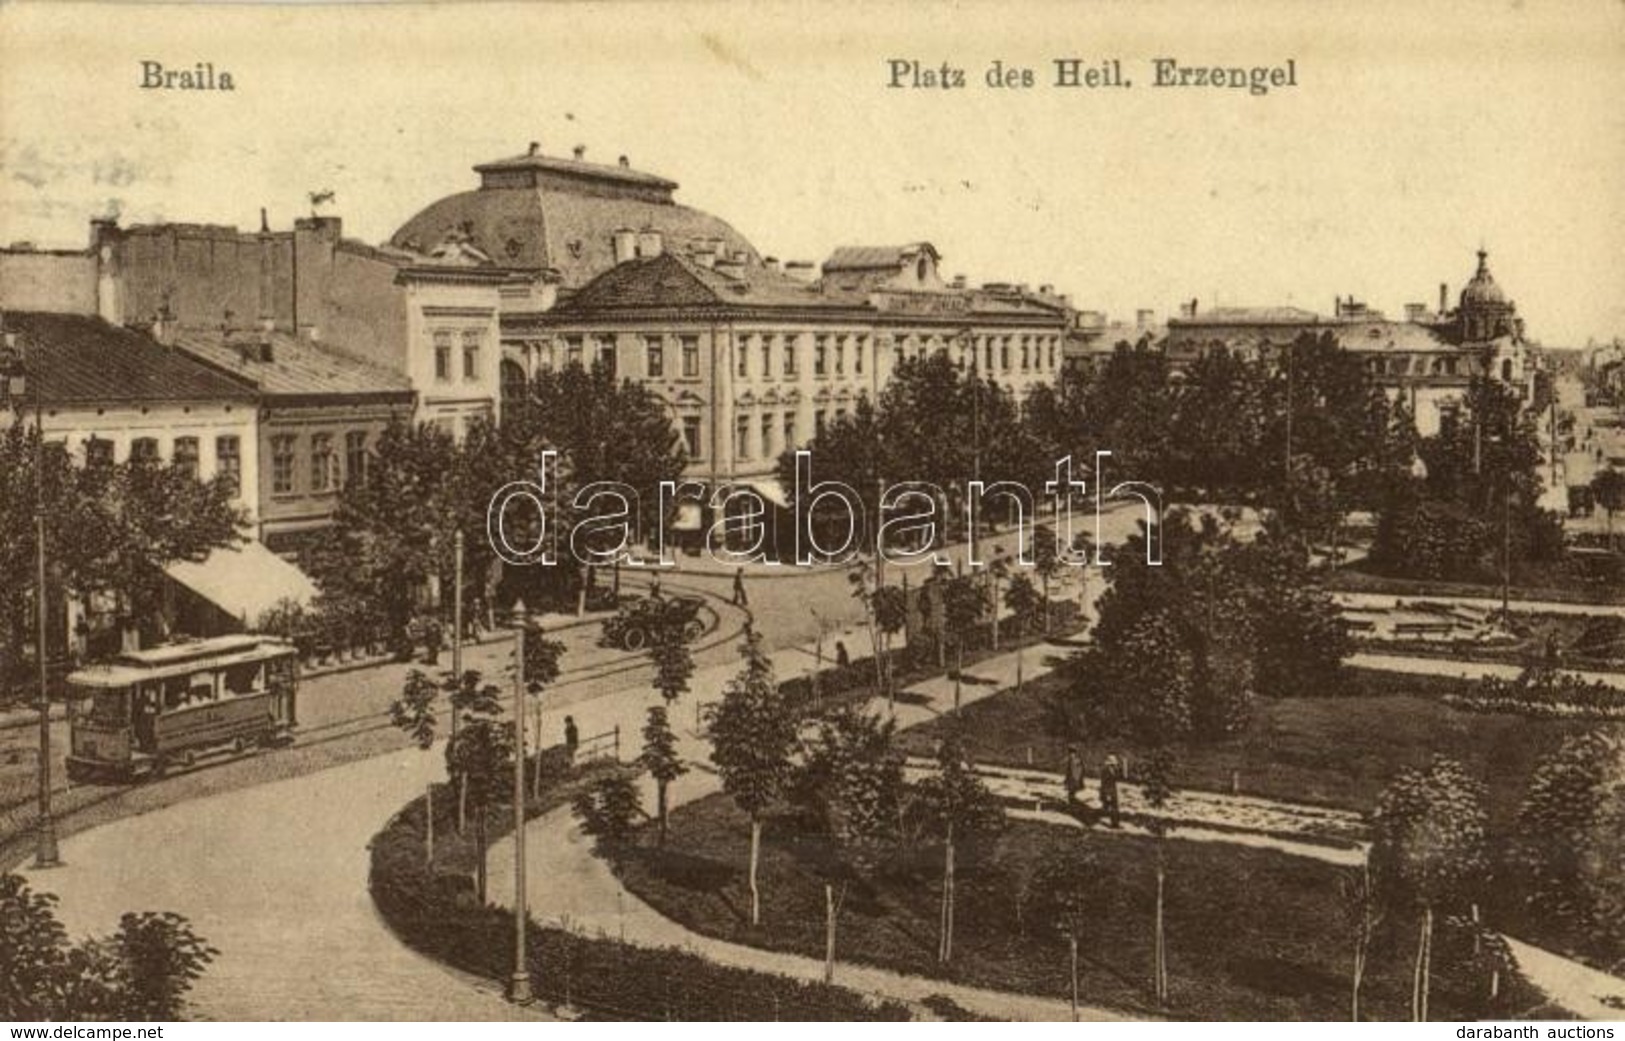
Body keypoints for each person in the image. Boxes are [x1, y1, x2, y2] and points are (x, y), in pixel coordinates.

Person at [1099, 753, 1123, 828]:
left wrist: (1125, 766)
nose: (1114, 765)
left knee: (1115, 807)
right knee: (1112, 808)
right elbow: (1104, 783)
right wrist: (1107, 794)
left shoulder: (1113, 770)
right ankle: (1114, 824)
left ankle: (1115, 823)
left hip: (1113, 791)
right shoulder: (1105, 771)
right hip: (1108, 791)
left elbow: (1120, 777)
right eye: (1113, 763)